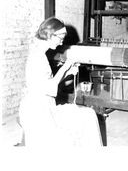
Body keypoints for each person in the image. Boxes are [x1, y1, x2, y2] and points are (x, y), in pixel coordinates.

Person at [19, 17, 102, 147]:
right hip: (37, 112)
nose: (62, 41)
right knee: (85, 120)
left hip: (44, 106)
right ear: (50, 34)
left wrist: (67, 73)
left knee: (89, 115)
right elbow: (50, 88)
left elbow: (47, 83)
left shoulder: (39, 52)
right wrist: (65, 67)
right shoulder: (38, 57)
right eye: (61, 37)